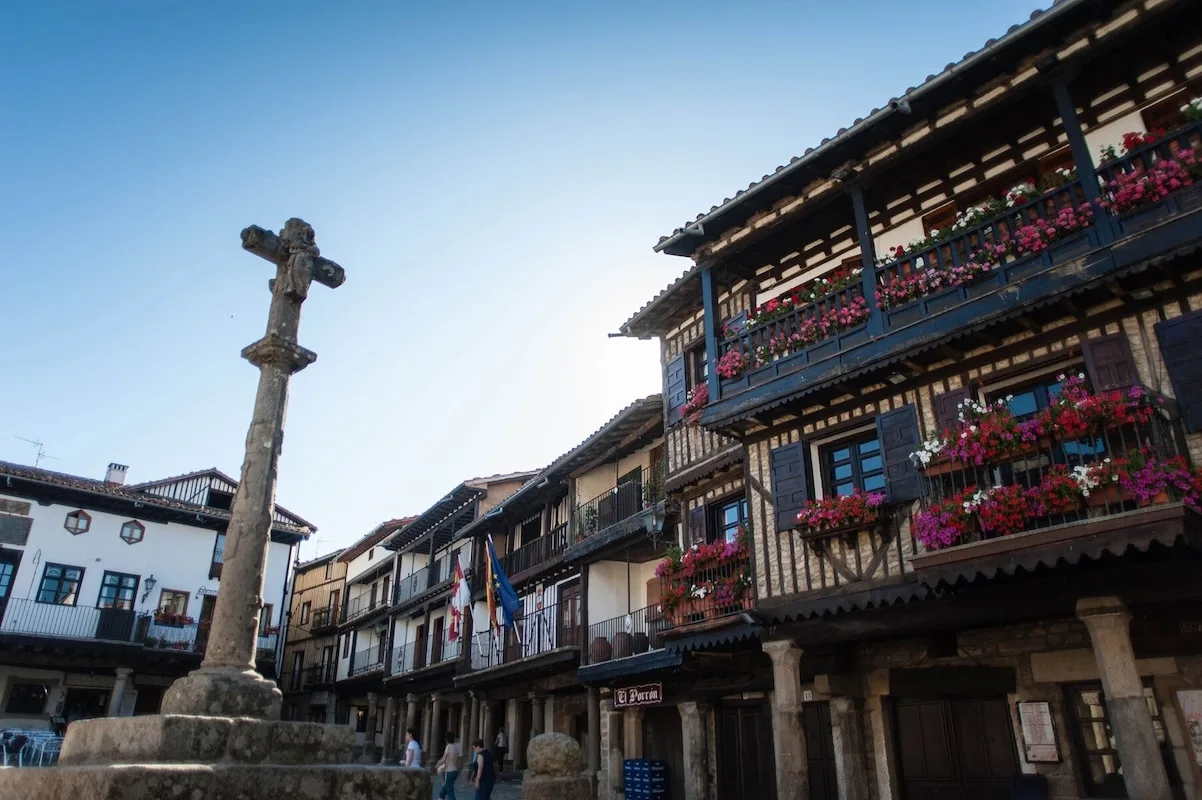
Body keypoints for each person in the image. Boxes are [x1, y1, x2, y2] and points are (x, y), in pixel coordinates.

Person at [435, 730, 461, 800]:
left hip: (449, 771)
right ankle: (440, 797)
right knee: (445, 789)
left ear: (446, 738)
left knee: (450, 791)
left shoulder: (448, 747)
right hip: (455, 771)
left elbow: (443, 760)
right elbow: (457, 760)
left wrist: (437, 764)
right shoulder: (457, 748)